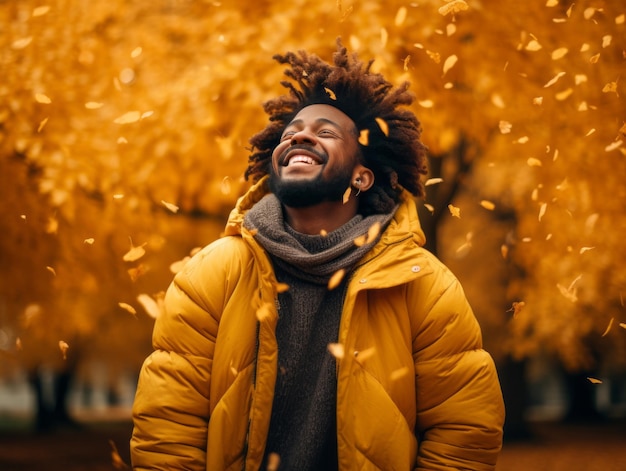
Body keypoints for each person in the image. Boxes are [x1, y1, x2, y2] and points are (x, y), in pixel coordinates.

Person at [130, 39, 505, 471]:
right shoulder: (210, 274)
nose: (300, 134)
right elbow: (167, 425)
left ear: (363, 176)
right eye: (291, 132)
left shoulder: (423, 285)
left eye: (325, 132)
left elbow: (465, 429)